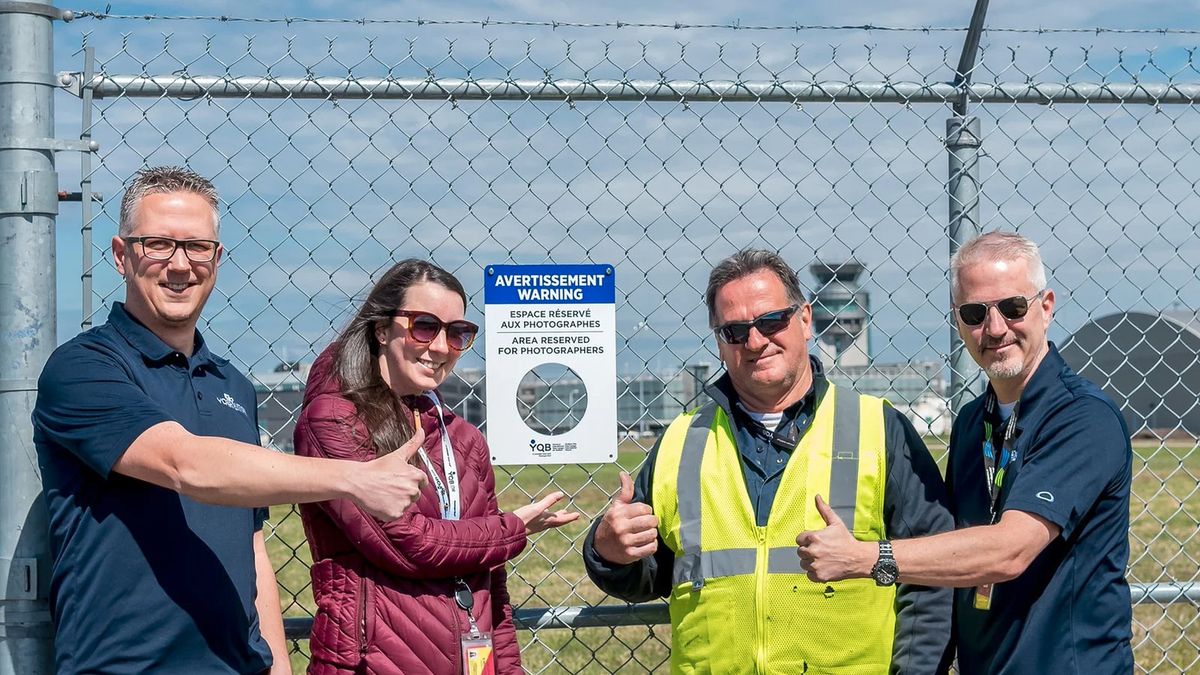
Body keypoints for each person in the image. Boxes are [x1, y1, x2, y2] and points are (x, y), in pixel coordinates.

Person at [33, 166, 429, 675]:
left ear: (217, 259)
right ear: (121, 254)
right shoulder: (84, 368)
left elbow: (251, 545)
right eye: (158, 244)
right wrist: (355, 478)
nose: (180, 265)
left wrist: (278, 666)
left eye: (197, 247)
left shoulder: (233, 386)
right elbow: (185, 465)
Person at [583, 249, 954, 673]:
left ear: (805, 320)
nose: (755, 341)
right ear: (719, 344)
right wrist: (609, 551)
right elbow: (651, 573)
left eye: (771, 321)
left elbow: (932, 574)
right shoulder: (682, 440)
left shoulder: (878, 428)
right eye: (735, 331)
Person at [797, 231, 1134, 674]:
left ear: (1046, 306)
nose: (995, 329)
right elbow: (953, 552)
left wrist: (865, 557)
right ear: (957, 320)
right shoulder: (974, 421)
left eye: (1013, 307)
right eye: (975, 313)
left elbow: (1010, 550)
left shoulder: (1083, 418)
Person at [294, 258, 579, 675]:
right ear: (381, 329)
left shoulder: (464, 439)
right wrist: (511, 528)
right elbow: (406, 545)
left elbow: (492, 584)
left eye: (458, 333)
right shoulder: (334, 419)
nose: (442, 347)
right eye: (424, 326)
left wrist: (508, 669)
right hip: (369, 664)